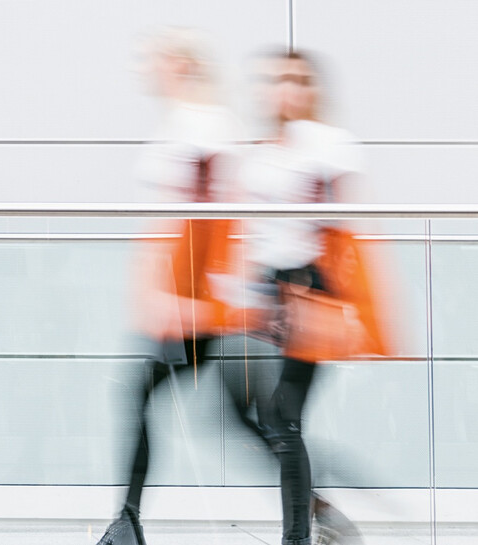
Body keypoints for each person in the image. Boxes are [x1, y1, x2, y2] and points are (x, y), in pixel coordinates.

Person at [97, 28, 249, 545]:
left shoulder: (204, 125)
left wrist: (186, 300)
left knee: (141, 394)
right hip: (184, 299)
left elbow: (208, 220)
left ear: (181, 64)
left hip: (191, 301)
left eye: (153, 59)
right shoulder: (187, 121)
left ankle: (127, 523)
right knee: (243, 417)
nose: (145, 69)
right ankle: (127, 521)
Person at [238, 49, 384, 545]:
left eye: (298, 80)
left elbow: (346, 223)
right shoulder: (262, 151)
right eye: (277, 79)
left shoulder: (330, 144)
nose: (287, 90)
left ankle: (299, 534)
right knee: (253, 412)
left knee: (282, 415)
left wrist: (341, 298)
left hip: (311, 286)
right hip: (269, 290)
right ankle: (322, 512)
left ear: (313, 90)